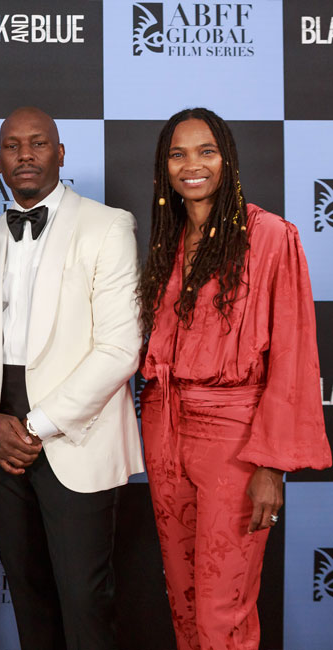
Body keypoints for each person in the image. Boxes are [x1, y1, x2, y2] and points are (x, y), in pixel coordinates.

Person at [138, 107, 332, 650]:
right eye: (178, 154)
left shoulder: (271, 236)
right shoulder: (168, 241)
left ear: (227, 160)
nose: (191, 165)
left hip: (235, 440)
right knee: (185, 601)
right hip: (164, 429)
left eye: (205, 151)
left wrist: (272, 463)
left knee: (224, 612)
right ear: (164, 167)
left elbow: (293, 356)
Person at [0, 106, 143, 650]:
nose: (24, 154)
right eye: (12, 145)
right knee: (28, 596)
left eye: (37, 143)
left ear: (60, 153)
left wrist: (35, 425)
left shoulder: (108, 225)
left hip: (74, 436)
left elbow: (120, 349)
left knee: (86, 604)